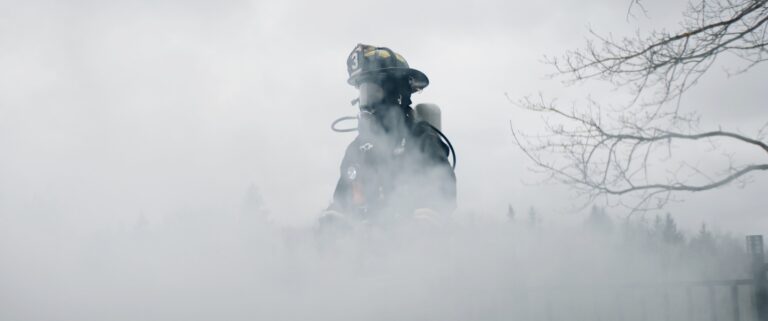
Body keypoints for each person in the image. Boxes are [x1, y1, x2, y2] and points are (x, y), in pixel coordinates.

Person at [323, 44, 457, 225]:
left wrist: (431, 213)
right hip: (364, 248)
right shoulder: (356, 150)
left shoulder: (422, 140)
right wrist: (332, 218)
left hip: (414, 245)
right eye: (363, 95)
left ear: (397, 94)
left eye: (373, 93)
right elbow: (342, 202)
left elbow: (443, 192)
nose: (366, 105)